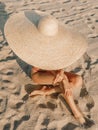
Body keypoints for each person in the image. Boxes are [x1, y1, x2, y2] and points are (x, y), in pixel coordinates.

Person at [4, 10, 94, 127]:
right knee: (64, 81)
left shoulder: (57, 40)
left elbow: (60, 60)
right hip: (38, 73)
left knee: (78, 80)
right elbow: (44, 64)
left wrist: (60, 72)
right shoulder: (34, 42)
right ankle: (76, 113)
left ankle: (48, 91)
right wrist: (62, 78)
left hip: (53, 70)